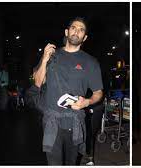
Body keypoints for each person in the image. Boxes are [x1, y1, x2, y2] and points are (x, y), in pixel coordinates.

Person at [31, 17, 103, 165]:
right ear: (67, 31)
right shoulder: (51, 56)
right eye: (74, 28)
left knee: (72, 163)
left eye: (81, 30)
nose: (77, 31)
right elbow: (37, 82)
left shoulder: (91, 62)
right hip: (52, 123)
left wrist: (87, 102)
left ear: (85, 37)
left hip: (75, 121)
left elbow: (98, 93)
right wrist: (44, 59)